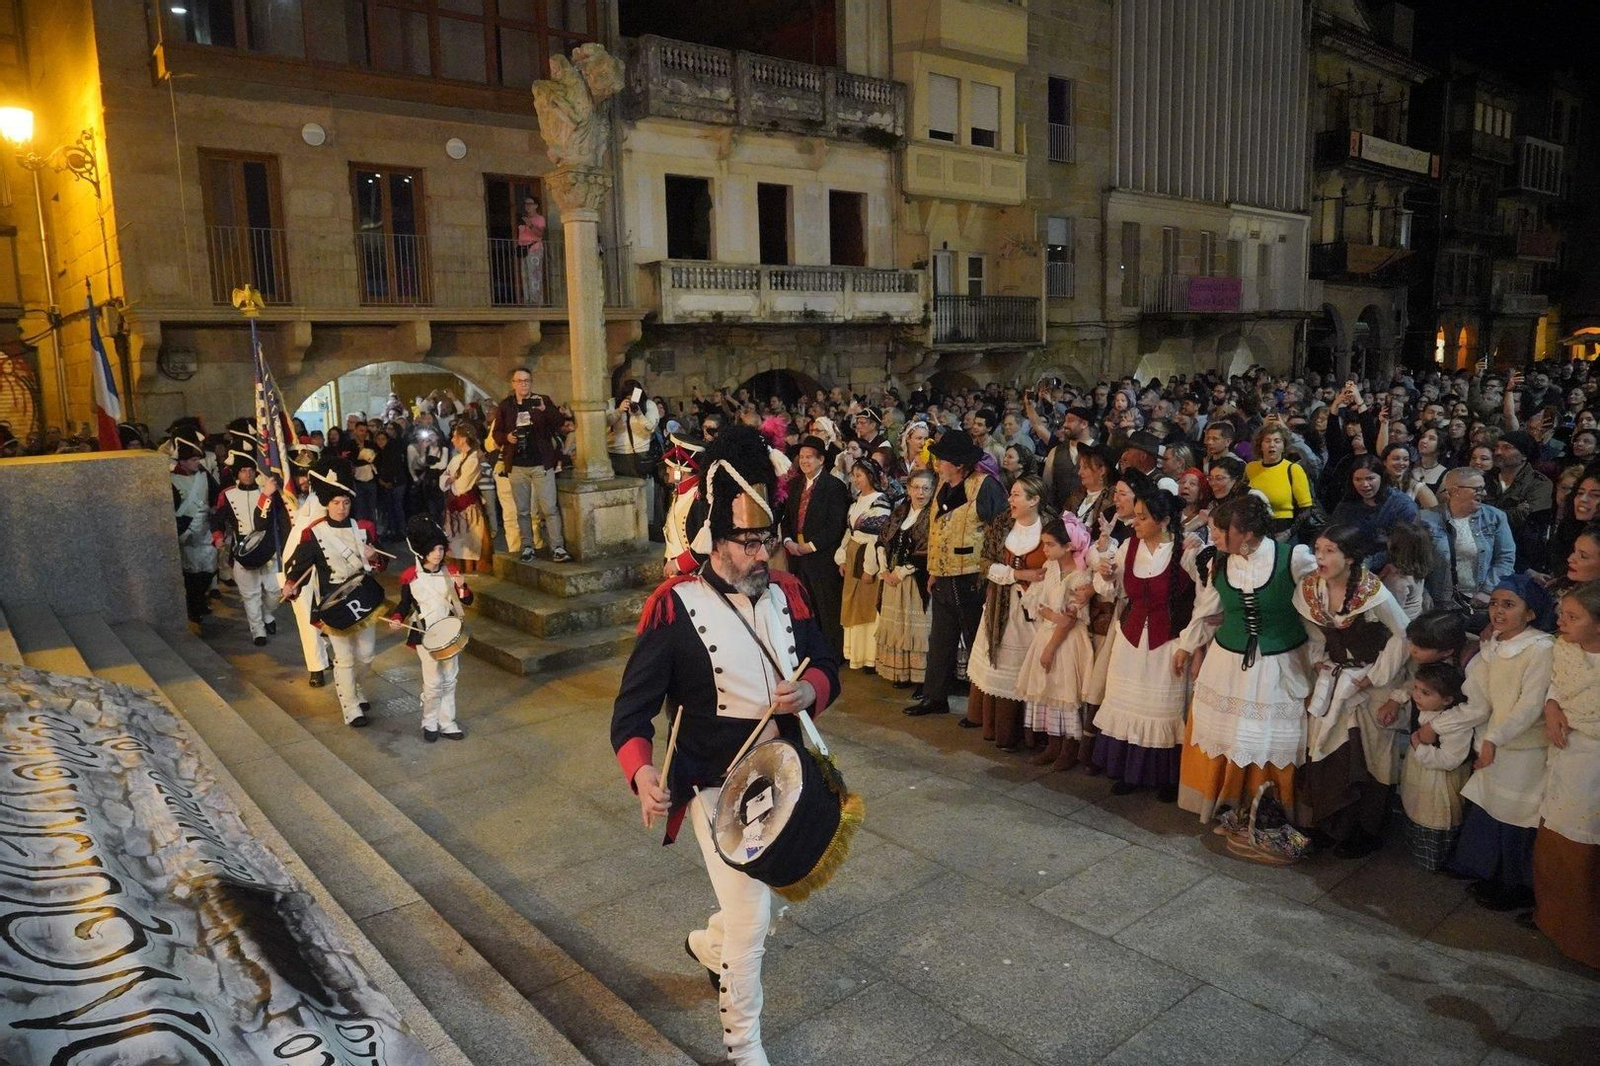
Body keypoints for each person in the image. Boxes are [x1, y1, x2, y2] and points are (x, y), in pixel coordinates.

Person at [609, 424, 841, 1066]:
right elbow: (631, 713)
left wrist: (812, 690)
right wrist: (642, 771)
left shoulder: (789, 593)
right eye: (748, 541)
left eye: (767, 538)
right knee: (750, 920)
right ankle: (744, 1046)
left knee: (766, 906)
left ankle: (707, 948)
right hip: (715, 782)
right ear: (715, 536)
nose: (762, 553)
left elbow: (827, 661)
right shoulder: (673, 607)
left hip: (788, 775)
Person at [1175, 494, 1317, 822]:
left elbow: (1313, 612)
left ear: (1249, 533)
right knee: (1228, 733)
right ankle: (1228, 802)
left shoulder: (1293, 558)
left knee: (1266, 735)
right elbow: (1207, 608)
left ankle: (1267, 809)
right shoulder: (1219, 561)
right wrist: (1187, 645)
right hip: (1228, 663)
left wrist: (1321, 654)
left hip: (1279, 663)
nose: (1216, 537)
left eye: (1224, 530)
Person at [1293, 523, 1412, 858]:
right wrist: (1318, 660)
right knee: (1328, 751)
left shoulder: (1373, 593)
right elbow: (1313, 633)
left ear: (1349, 557)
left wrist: (1374, 675)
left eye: (1329, 551)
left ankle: (1363, 831)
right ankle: (1330, 823)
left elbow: (1404, 634)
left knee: (1369, 756)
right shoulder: (1310, 589)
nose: (1320, 557)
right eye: (1317, 549)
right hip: (1334, 680)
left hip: (1369, 684)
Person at [1448, 575, 1555, 912]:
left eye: (1508, 605)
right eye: (1494, 603)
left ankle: (1517, 885)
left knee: (1516, 818)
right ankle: (1495, 874)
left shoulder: (1540, 649)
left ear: (1531, 613)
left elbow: (1530, 704)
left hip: (1523, 748)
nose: (1497, 610)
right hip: (1496, 742)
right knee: (1494, 809)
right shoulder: (1495, 642)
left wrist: (1496, 737)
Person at [1090, 479, 1194, 799]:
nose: (1134, 523)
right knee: (1129, 703)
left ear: (1163, 521)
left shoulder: (1185, 550)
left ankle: (1165, 777)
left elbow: (1201, 601)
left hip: (1167, 643)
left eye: (1142, 518)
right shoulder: (1127, 547)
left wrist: (1188, 642)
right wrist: (1105, 576)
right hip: (1130, 639)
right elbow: (1111, 590)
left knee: (1162, 708)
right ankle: (1129, 771)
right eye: (1134, 516)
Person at [905, 430, 1006, 717]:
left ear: (959, 464)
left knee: (975, 638)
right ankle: (935, 697)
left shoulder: (985, 486)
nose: (938, 463)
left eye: (943, 459)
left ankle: (981, 707)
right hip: (945, 575)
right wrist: (934, 571)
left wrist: (990, 577)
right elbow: (939, 531)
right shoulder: (943, 486)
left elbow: (998, 532)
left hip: (972, 575)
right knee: (941, 639)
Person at [282, 460, 385, 727]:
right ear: (327, 502)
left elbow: (381, 564)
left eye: (346, 502)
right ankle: (350, 707)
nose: (341, 508)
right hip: (334, 605)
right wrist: (291, 583)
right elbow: (300, 564)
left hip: (363, 602)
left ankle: (356, 689)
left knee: (367, 655)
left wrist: (374, 558)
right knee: (345, 657)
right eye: (336, 502)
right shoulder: (313, 533)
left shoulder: (363, 529)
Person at [1534, 582, 1600, 968]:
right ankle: (1552, 919)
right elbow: (1557, 686)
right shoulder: (1565, 649)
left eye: (1573, 617)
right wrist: (1553, 706)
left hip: (1593, 766)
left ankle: (1585, 939)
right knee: (1554, 839)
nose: (1561, 622)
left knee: (1583, 850)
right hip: (1564, 754)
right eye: (1562, 613)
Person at [964, 475, 1050, 751]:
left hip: (1036, 611)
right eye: (1011, 495)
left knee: (1030, 668)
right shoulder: (1002, 524)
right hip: (1002, 606)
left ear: (1034, 500)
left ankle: (1033, 735)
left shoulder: (1050, 526)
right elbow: (985, 563)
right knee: (1002, 667)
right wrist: (1019, 574)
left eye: (1016, 495)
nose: (1010, 500)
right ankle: (1001, 731)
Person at [1015, 515, 1095, 770]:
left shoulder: (1080, 577)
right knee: (1047, 690)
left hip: (1067, 642)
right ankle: (1052, 744)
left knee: (1065, 691)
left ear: (1069, 546)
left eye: (1050, 544)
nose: (1045, 549)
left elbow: (1070, 620)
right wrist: (1051, 615)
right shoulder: (1050, 570)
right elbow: (1040, 606)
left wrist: (1051, 643)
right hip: (1047, 633)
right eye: (1044, 544)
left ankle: (1069, 748)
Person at [388, 515, 475, 741]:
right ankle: (429, 722)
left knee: (450, 678)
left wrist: (462, 586)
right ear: (422, 551)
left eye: (440, 548)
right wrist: (397, 617)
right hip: (424, 634)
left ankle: (448, 722)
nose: (438, 553)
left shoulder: (450, 571)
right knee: (434, 681)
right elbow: (404, 604)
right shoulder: (410, 577)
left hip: (450, 632)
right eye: (433, 549)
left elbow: (466, 601)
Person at [492, 368, 569, 562]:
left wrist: (546, 409)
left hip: (541, 464)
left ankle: (557, 547)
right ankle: (528, 546)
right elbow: (497, 433)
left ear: (531, 383)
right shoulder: (506, 406)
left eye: (527, 381)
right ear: (513, 384)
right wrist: (507, 438)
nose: (523, 384)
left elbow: (560, 423)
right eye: (519, 381)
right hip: (517, 464)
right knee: (523, 510)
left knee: (549, 508)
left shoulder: (542, 401)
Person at [782, 435, 850, 658]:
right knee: (803, 605)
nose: (804, 461)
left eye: (809, 457)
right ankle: (809, 651)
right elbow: (786, 518)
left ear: (821, 460)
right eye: (801, 457)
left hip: (822, 556)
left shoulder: (834, 486)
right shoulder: (794, 485)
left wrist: (809, 546)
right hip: (797, 555)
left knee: (826, 606)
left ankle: (832, 654)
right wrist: (788, 542)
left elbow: (835, 525)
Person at [212, 451, 289, 646]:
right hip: (243, 552)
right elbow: (218, 520)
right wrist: (218, 537)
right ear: (236, 474)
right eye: (243, 471)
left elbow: (281, 519)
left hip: (268, 550)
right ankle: (258, 630)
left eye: (250, 470)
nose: (247, 474)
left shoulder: (267, 491)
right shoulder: (228, 495)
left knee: (274, 591)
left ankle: (266, 613)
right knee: (250, 594)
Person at [1418, 467, 1515, 614]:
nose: (1484, 493)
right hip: (1436, 603)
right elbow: (1413, 561)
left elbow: (1506, 558)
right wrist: (1422, 593)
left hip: (1478, 604)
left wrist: (1487, 591)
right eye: (1478, 489)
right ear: (1456, 491)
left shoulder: (1495, 517)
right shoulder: (1425, 519)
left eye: (1483, 488)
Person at [876, 468, 935, 694]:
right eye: (916, 487)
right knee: (897, 627)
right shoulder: (900, 511)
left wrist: (901, 572)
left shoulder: (932, 516)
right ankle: (901, 672)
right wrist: (884, 569)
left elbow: (927, 550)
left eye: (925, 488)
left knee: (917, 630)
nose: (920, 493)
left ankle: (922, 676)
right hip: (892, 580)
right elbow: (882, 539)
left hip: (914, 581)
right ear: (908, 489)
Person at [835, 458, 892, 671]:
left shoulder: (880, 501)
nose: (855, 480)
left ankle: (870, 656)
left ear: (870, 476)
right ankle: (855, 653)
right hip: (853, 555)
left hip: (867, 558)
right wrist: (842, 557)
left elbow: (876, 538)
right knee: (853, 604)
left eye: (859, 475)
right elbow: (850, 531)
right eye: (854, 475)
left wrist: (870, 568)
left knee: (867, 607)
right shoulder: (857, 500)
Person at [1328, 454, 1419, 567]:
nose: (1364, 485)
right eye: (1358, 479)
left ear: (1381, 477)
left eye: (1370, 478)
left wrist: (1368, 563)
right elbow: (1330, 533)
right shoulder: (1347, 503)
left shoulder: (1402, 505)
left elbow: (1405, 546)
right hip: (1350, 561)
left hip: (1391, 565)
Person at [170, 431, 220, 632]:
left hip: (205, 530)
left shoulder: (204, 476)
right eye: (192, 459)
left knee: (208, 569)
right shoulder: (171, 479)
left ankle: (198, 601)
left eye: (198, 458)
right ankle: (195, 607)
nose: (197, 462)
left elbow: (216, 496)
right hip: (185, 532)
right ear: (182, 461)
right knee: (191, 574)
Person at [1488, 430, 1555, 572]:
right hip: (1485, 549)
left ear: (1524, 455)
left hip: (1522, 554)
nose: (1498, 452)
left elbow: (1523, 519)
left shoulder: (1539, 483)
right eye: (1497, 447)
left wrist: (1487, 513)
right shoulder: (1484, 479)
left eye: (1507, 448)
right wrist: (1512, 511)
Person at [1245, 419, 1314, 537]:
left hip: (1284, 530)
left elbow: (1306, 508)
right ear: (1260, 446)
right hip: (1256, 530)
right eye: (1267, 441)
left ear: (1283, 446)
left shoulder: (1293, 469)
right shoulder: (1251, 468)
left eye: (1277, 441)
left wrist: (1288, 533)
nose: (1272, 445)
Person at [441, 424, 491, 572]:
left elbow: (463, 485)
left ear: (462, 439)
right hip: (454, 505)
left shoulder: (474, 459)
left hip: (468, 506)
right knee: (457, 539)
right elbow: (443, 478)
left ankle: (471, 568)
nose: (452, 440)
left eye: (455, 437)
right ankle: (459, 567)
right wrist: (449, 480)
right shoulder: (456, 458)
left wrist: (452, 480)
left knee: (471, 537)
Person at [661, 432, 708, 577]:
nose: (667, 470)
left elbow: (706, 541)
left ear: (680, 469)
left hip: (694, 575)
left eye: (669, 466)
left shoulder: (700, 497)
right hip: (677, 574)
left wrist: (679, 564)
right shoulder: (679, 492)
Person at [518, 195, 546, 305]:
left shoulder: (539, 219)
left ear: (536, 205)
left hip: (534, 248)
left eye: (530, 204)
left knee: (534, 275)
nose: (527, 206)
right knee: (525, 275)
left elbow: (540, 234)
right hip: (523, 249)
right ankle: (527, 301)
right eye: (526, 204)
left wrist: (530, 225)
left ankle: (536, 301)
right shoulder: (523, 219)